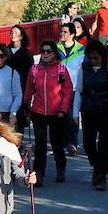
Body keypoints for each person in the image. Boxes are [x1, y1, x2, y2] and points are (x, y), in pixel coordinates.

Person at [71, 40, 108, 191]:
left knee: (103, 144)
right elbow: (79, 91)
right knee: (89, 144)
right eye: (90, 58)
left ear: (102, 56)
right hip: (89, 111)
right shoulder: (84, 69)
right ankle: (98, 167)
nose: (93, 61)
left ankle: (101, 176)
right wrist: (75, 112)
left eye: (96, 58)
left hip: (107, 111)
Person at [25, 40, 74, 184]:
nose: (45, 54)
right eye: (43, 51)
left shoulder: (61, 69)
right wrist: (26, 105)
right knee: (40, 144)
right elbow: (29, 89)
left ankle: (61, 166)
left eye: (49, 51)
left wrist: (63, 109)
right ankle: (39, 173)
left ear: (54, 53)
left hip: (56, 113)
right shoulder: (34, 70)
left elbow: (67, 91)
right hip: (38, 111)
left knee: (56, 142)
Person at [57, 23, 87, 155]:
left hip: (75, 88)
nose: (62, 34)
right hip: (58, 89)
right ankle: (62, 142)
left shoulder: (81, 49)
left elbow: (86, 69)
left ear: (73, 35)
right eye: (61, 31)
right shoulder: (55, 48)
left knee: (73, 116)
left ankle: (72, 143)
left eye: (65, 32)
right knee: (61, 116)